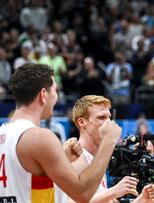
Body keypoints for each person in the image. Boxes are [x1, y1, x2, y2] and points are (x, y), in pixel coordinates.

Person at [0, 63, 122, 202]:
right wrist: (108, 141)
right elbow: (83, 194)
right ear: (43, 95)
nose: (57, 97)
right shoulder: (40, 137)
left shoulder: (4, 132)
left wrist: (63, 156)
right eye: (55, 90)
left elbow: (25, 175)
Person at [69, 95, 154, 203]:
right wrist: (114, 191)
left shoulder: (96, 159)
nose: (109, 123)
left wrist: (141, 200)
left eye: (109, 117)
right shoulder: (76, 156)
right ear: (82, 122)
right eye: (101, 117)